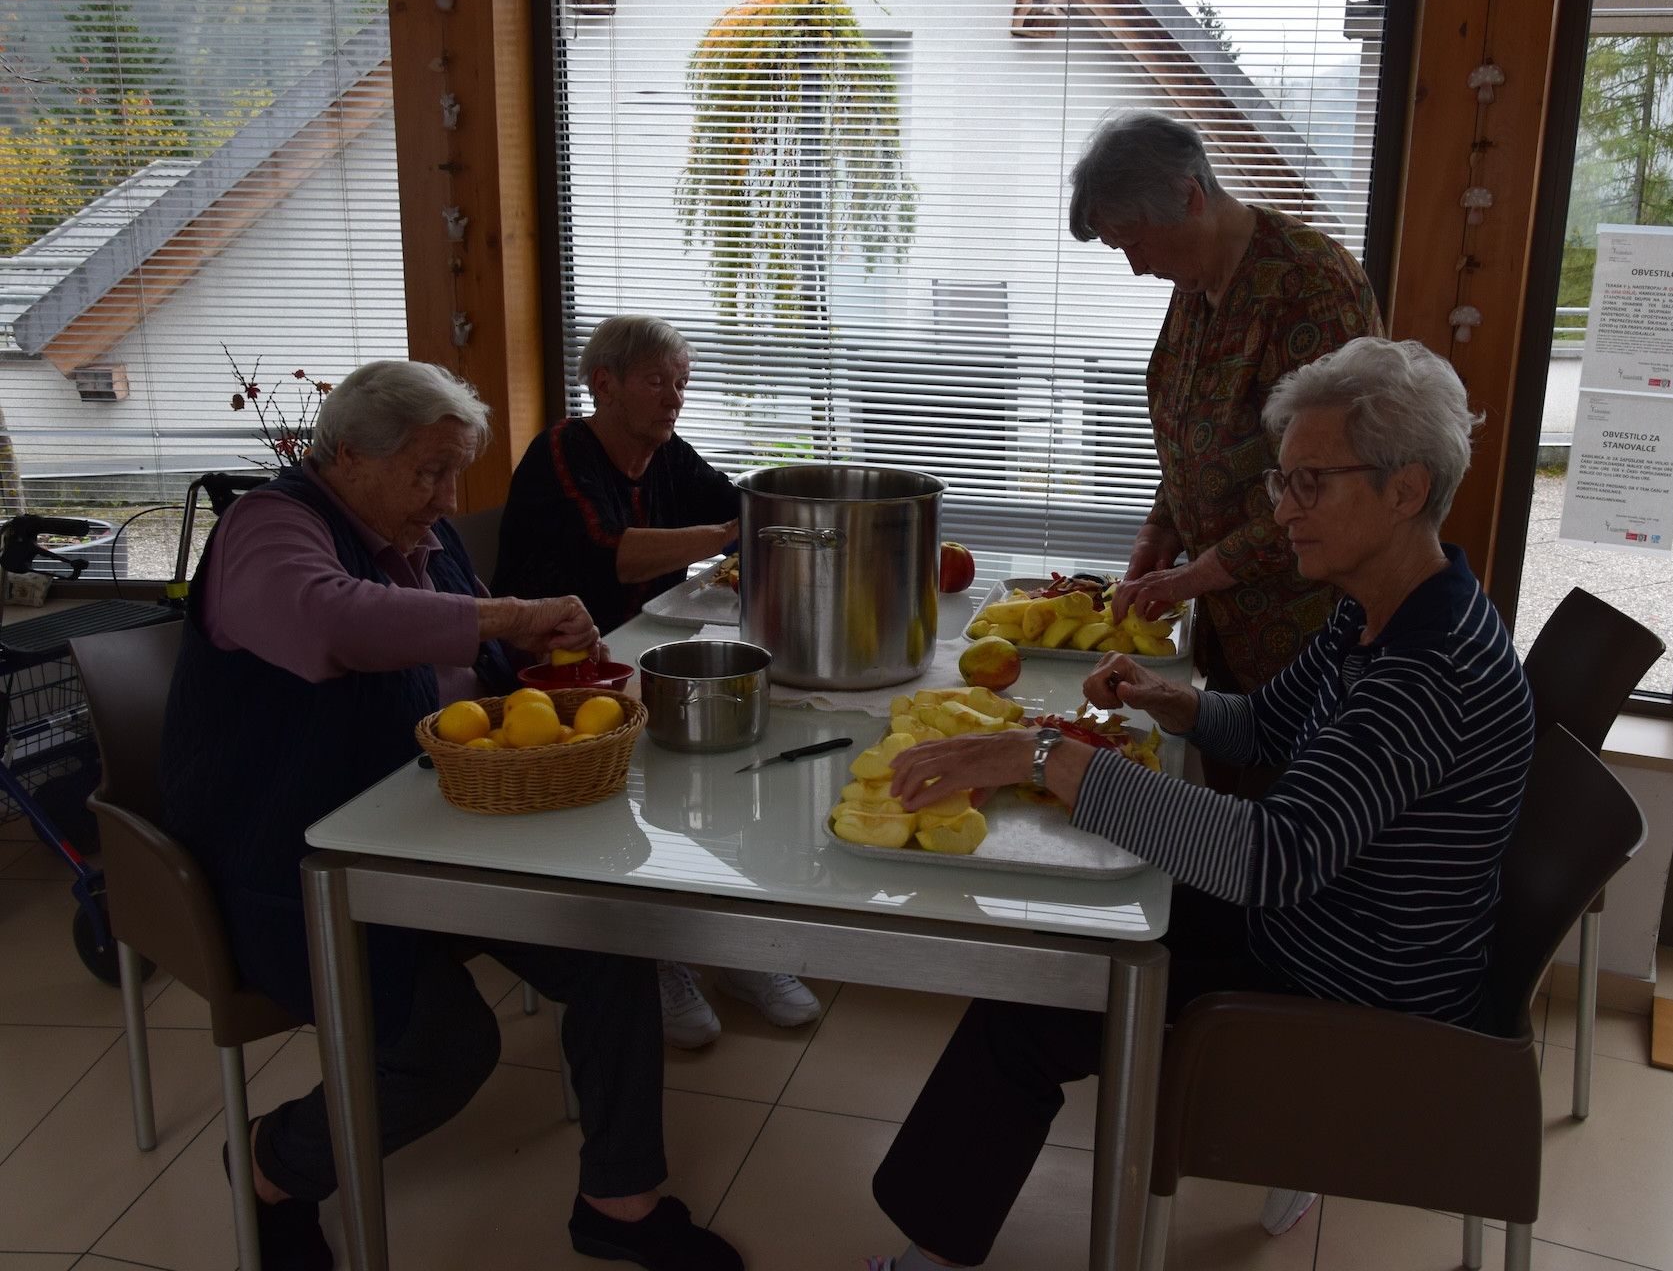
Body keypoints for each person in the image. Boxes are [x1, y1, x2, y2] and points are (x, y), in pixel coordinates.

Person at [862, 337, 1535, 1269]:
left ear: (1406, 490)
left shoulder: (1428, 669)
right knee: (1074, 933)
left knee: (1040, 997)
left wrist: (1045, 752)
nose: (1283, 512)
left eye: (1310, 484)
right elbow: (1262, 728)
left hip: (1357, 990)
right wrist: (1169, 699)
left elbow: (1270, 857)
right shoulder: (1380, 607)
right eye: (1280, 484)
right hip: (1325, 921)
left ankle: (931, 1251)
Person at [162, 360, 742, 1271]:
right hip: (293, 862)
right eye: (429, 471)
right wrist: (501, 613)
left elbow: (476, 679)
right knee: (445, 1048)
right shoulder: (269, 526)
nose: (444, 497)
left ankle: (619, 1203)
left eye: (455, 473)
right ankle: (276, 1165)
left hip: (439, 826)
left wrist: (560, 677)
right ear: (348, 454)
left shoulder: (422, 537)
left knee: (612, 944)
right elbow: (328, 623)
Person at [494, 314, 820, 1048]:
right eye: (657, 382)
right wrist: (733, 536)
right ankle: (654, 956)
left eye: (681, 383)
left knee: (739, 767)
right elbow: (615, 555)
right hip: (557, 681)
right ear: (603, 384)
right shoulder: (560, 456)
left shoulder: (665, 454)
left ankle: (734, 945)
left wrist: (785, 514)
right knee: (659, 788)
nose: (674, 398)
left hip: (643, 651)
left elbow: (736, 505)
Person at [1070, 108, 1383, 793]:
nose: (1135, 267)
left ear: (1189, 196)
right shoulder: (1197, 285)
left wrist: (1191, 577)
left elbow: (1326, 489)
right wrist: (1163, 528)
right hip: (1229, 634)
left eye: (1136, 242)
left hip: (1302, 638)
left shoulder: (1310, 285)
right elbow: (1194, 435)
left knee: (1277, 834)